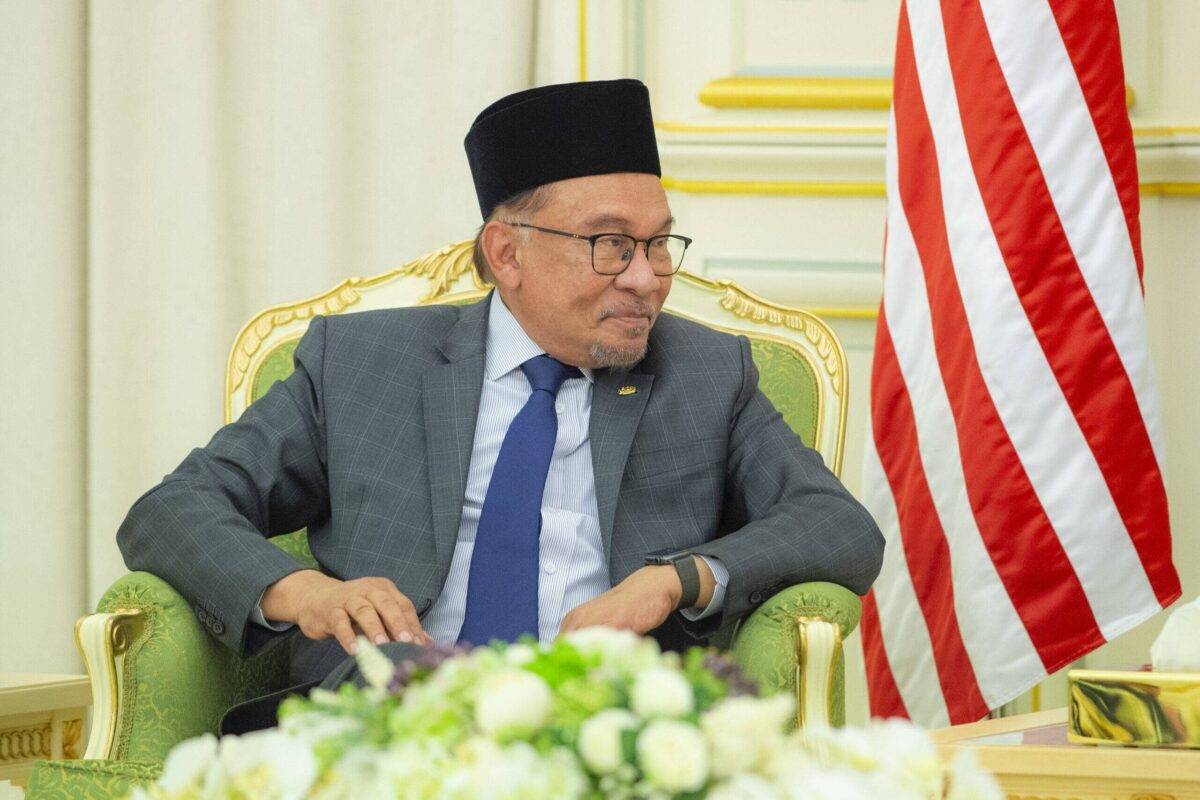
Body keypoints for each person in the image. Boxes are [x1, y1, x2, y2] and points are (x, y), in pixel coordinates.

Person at [116, 79, 884, 731]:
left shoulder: (706, 373)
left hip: (606, 731)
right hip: (387, 726)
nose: (646, 278)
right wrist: (306, 593)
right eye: (611, 244)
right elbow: (172, 510)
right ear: (507, 253)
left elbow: (838, 527)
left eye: (658, 244)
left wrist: (675, 580)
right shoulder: (360, 364)